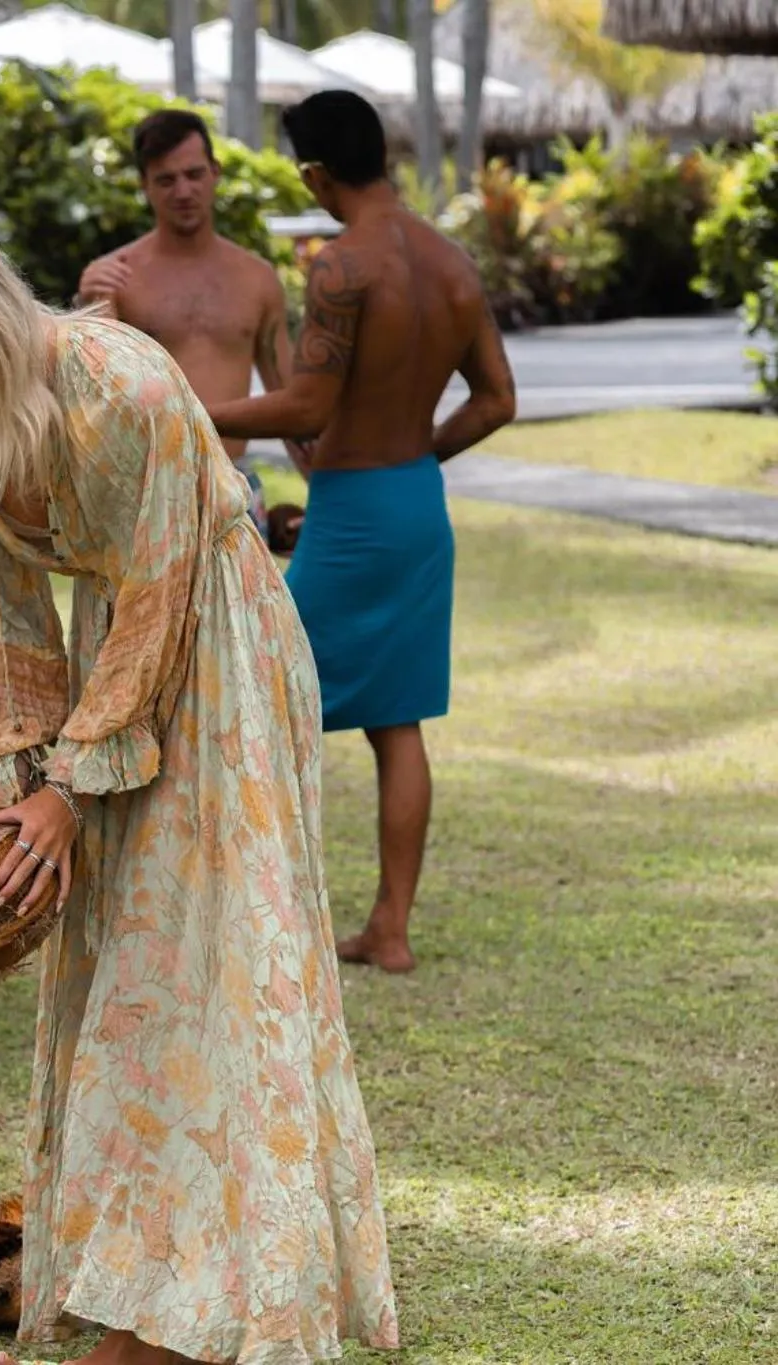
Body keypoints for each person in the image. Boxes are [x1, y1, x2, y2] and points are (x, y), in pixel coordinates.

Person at [0, 215, 398, 1365]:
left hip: (215, 641)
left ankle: (219, 1302)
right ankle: (148, 1287)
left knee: (211, 961)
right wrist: (6, 783)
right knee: (120, 976)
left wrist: (71, 790)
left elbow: (160, 588)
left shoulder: (120, 387)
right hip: (115, 668)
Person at [204, 90, 517, 975]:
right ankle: (391, 926)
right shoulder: (452, 262)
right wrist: (416, 450)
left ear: (314, 172)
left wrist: (191, 408)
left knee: (265, 697)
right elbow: (498, 401)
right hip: (416, 503)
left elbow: (306, 404)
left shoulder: (343, 266)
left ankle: (263, 918)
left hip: (352, 513)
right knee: (396, 719)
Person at [74, 110, 307, 546]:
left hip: (233, 488)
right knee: (144, 618)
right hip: (146, 490)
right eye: (165, 180)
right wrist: (86, 305)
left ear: (215, 173)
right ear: (144, 186)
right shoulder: (114, 278)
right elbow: (95, 397)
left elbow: (291, 402)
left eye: (194, 174)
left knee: (239, 617)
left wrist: (327, 494)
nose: (183, 191)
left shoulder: (256, 279)